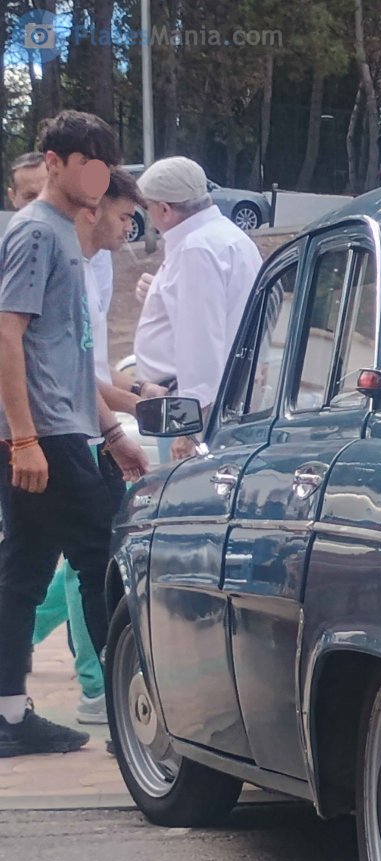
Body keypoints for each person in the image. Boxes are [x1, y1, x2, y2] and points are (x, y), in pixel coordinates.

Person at [0, 112, 149, 758]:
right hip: (46, 432)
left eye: (103, 166)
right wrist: (24, 438)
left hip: (63, 426)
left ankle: (9, 716)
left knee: (25, 573)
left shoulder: (64, 238)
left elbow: (68, 355)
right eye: (84, 163)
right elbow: (7, 336)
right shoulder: (35, 233)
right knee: (103, 558)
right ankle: (134, 715)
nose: (94, 178)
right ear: (55, 162)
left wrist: (112, 432)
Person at [29, 164, 146, 725]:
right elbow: (40, 358)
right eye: (125, 215)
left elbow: (81, 363)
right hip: (58, 430)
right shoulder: (44, 248)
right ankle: (103, 687)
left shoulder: (91, 265)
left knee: (45, 563)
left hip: (78, 425)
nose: (130, 228)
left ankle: (100, 687)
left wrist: (118, 418)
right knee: (92, 559)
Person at [131, 156, 262, 459]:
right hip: (225, 401)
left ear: (164, 209)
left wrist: (187, 428)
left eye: (148, 208)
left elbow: (200, 343)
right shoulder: (231, 238)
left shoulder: (196, 249)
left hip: (194, 412)